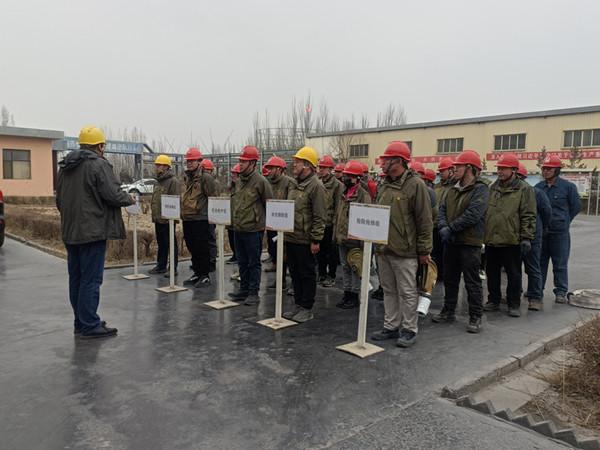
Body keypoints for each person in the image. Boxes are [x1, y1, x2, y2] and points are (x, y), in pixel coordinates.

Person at [56, 126, 135, 339]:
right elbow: (113, 195)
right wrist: (129, 199)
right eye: (103, 146)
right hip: (92, 232)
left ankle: (80, 322)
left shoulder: (65, 167)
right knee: (91, 280)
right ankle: (90, 325)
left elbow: (59, 200)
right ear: (99, 146)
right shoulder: (98, 164)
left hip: (71, 232)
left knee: (76, 278)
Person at [370, 141, 433, 348]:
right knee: (389, 290)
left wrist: (424, 251)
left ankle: (409, 329)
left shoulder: (416, 185)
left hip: (405, 251)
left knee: (407, 292)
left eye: (386, 159)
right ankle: (390, 326)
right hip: (384, 249)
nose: (382, 163)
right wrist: (377, 245)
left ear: (398, 161)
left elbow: (424, 220)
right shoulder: (384, 184)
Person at [432, 150, 490, 333]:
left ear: (470, 168)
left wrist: (450, 229)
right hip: (450, 243)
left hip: (469, 244)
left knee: (472, 282)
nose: (455, 169)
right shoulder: (453, 189)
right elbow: (442, 210)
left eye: (458, 166)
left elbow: (473, 214)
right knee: (450, 279)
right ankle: (448, 310)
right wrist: (443, 227)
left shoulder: (481, 189)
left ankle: (475, 316)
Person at [483, 153, 536, 317]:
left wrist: (526, 237)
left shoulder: (524, 189)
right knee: (492, 272)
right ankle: (493, 300)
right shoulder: (493, 188)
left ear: (514, 170)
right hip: (492, 238)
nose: (499, 171)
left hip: (511, 239)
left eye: (503, 168)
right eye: (499, 168)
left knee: (514, 274)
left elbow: (528, 215)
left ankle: (513, 303)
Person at [283, 146, 326, 323]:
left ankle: (307, 308)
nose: (294, 165)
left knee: (307, 274)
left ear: (308, 165)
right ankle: (298, 304)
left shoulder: (316, 186)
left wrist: (316, 239)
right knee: (294, 273)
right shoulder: (294, 184)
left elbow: (320, 216)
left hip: (305, 239)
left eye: (298, 162)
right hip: (291, 237)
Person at [228, 146, 273, 306]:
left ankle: (254, 292)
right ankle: (244, 289)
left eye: (244, 161)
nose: (240, 164)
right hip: (238, 228)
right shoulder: (240, 181)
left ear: (253, 163)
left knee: (254, 263)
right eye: (240, 161)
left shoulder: (261, 182)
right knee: (242, 261)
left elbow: (269, 204)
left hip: (253, 230)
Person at [536, 155, 581, 304]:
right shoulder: (538, 188)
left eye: (549, 169)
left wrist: (564, 221)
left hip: (560, 233)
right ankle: (537, 290)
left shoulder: (568, 187)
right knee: (540, 262)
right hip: (542, 232)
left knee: (560, 264)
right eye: (544, 168)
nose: (545, 171)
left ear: (557, 170)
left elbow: (575, 207)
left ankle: (561, 291)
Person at [333, 160, 371, 309]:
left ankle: (355, 295)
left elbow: (366, 218)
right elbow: (338, 216)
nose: (345, 178)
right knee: (345, 267)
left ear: (356, 178)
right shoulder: (343, 193)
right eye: (345, 175)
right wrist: (336, 236)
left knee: (355, 267)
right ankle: (347, 293)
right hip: (342, 238)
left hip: (355, 241)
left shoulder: (363, 195)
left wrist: (362, 243)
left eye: (349, 176)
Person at [516, 164, 552, 311]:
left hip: (532, 237)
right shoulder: (509, 193)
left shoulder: (536, 193)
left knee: (533, 267)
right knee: (514, 268)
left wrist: (543, 228)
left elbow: (547, 212)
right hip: (513, 236)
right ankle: (515, 293)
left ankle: (535, 297)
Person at [181, 147, 217, 288]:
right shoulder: (187, 177)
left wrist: (211, 218)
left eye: (192, 160)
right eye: (188, 161)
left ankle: (205, 275)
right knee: (192, 247)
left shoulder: (205, 177)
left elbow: (213, 197)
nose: (189, 163)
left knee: (202, 248)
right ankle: (197, 272)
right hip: (188, 218)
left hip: (200, 218)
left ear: (199, 161)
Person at [149, 154, 182, 276]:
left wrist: (171, 217)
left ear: (166, 167)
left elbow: (175, 200)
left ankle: (173, 267)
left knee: (171, 243)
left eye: (159, 165)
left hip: (168, 219)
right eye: (157, 165)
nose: (156, 167)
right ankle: (161, 265)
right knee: (161, 243)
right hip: (158, 218)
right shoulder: (157, 182)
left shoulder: (173, 182)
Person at [264, 156, 294, 290]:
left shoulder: (289, 183)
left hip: (285, 226)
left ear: (280, 169)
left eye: (271, 168)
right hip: (272, 225)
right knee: (276, 253)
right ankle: (280, 281)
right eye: (268, 168)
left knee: (288, 255)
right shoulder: (268, 184)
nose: (269, 171)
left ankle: (293, 283)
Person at [317, 155, 344, 287]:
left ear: (330, 169)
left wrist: (335, 226)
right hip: (319, 223)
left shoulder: (337, 185)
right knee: (320, 251)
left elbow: (338, 206)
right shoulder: (317, 183)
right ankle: (321, 273)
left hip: (330, 224)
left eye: (324, 167)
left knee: (331, 252)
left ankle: (331, 276)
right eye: (320, 167)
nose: (321, 170)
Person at [431, 157, 455, 279]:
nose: (440, 173)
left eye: (443, 171)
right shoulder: (437, 186)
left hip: (447, 226)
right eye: (439, 171)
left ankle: (445, 274)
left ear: (451, 170)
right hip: (435, 225)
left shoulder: (455, 186)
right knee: (435, 251)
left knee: (446, 253)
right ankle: (437, 274)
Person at [201, 159, 219, 272]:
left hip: (211, 214)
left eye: (207, 170)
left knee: (211, 239)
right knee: (203, 240)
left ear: (212, 171)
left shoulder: (214, 183)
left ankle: (212, 262)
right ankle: (204, 262)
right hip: (203, 214)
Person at [226, 164, 241, 266]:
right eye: (233, 174)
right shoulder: (232, 188)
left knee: (238, 241)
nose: (233, 176)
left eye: (236, 174)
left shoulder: (242, 188)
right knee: (232, 239)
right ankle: (235, 255)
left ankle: (238, 256)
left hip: (239, 220)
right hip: (231, 219)